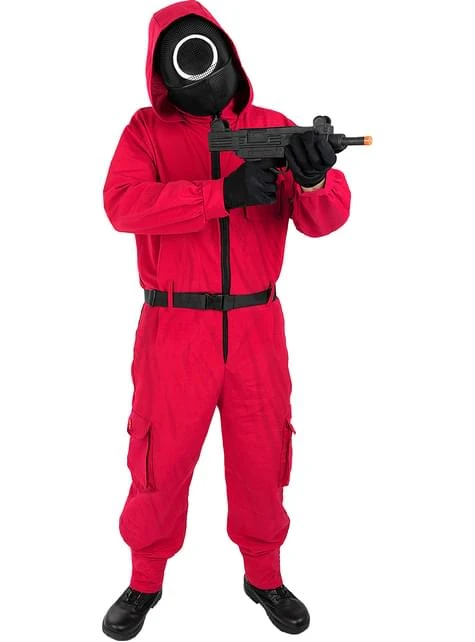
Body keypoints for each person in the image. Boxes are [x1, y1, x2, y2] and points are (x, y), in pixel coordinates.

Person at [102, 1, 351, 638]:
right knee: (158, 457)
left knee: (263, 454)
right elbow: (123, 205)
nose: (200, 67)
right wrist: (220, 195)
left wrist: (314, 177)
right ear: (161, 72)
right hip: (173, 329)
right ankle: (145, 579)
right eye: (182, 56)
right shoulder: (144, 133)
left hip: (256, 326)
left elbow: (325, 220)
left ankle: (264, 574)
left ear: (230, 53)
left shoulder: (275, 128)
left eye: (207, 49)